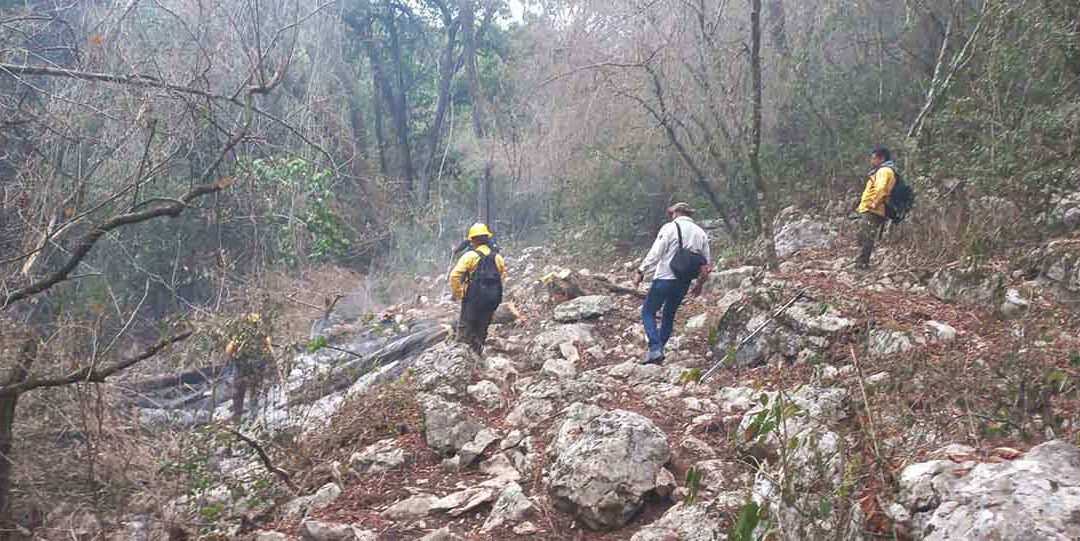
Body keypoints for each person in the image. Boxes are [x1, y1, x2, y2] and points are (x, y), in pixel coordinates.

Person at [632, 202, 711, 364]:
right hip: (683, 282)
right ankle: (658, 352)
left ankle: (655, 348)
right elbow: (706, 266)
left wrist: (641, 271)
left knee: (648, 311)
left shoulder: (669, 228)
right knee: (669, 315)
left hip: (664, 278)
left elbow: (655, 253)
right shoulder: (701, 233)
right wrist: (699, 285)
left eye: (672, 213)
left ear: (675, 213)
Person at [448, 223, 507, 354]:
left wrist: (459, 293)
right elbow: (501, 278)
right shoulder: (498, 258)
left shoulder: (470, 256)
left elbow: (454, 276)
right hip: (491, 300)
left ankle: (463, 360)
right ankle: (477, 356)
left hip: (472, 299)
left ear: (473, 240)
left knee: (466, 329)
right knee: (482, 328)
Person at [855, 147, 898, 269]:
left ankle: (862, 264)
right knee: (864, 235)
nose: (872, 161)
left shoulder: (884, 171)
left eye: (874, 158)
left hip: (874, 209)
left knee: (867, 236)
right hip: (874, 209)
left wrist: (873, 203)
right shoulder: (886, 170)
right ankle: (861, 261)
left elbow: (881, 189)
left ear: (882, 158)